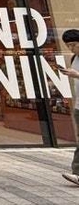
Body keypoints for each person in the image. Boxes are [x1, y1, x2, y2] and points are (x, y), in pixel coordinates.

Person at [60, 29, 79, 186]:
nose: (71, 48)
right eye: (68, 46)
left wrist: (77, 75)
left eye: (73, 45)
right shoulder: (74, 58)